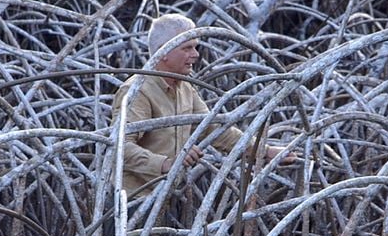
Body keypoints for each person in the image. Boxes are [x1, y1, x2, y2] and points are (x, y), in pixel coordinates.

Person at [111, 13, 291, 199]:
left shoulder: (185, 86)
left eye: (195, 47)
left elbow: (214, 129)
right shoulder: (137, 91)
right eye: (187, 48)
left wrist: (264, 151)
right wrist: (165, 164)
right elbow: (120, 147)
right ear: (163, 51)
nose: (195, 54)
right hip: (129, 201)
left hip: (164, 196)